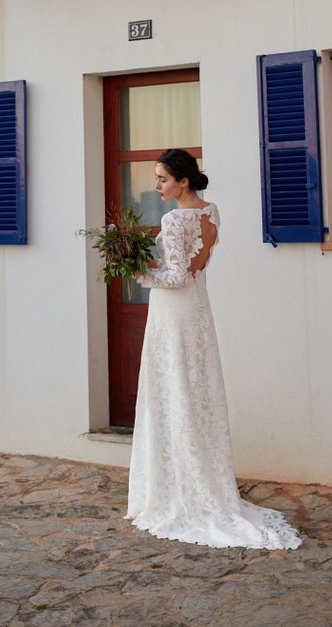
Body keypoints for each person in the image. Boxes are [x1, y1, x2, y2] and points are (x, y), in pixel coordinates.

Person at [126, 148, 301, 551]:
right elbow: (195, 269)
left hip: (174, 314)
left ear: (183, 181)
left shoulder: (173, 220)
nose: (156, 186)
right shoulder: (211, 211)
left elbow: (175, 278)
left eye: (162, 179)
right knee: (194, 388)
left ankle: (178, 493)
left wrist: (137, 272)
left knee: (173, 388)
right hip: (198, 313)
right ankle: (203, 482)